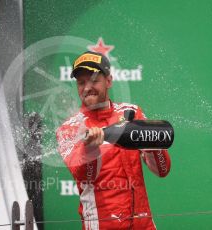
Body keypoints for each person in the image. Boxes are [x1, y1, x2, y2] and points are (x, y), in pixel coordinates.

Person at [56, 51, 171, 230]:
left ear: (108, 81)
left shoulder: (133, 113)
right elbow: (85, 177)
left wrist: (152, 144)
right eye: (81, 82)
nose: (87, 87)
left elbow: (162, 170)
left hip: (144, 225)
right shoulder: (69, 129)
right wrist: (90, 149)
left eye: (94, 80)